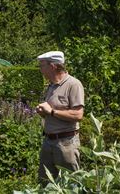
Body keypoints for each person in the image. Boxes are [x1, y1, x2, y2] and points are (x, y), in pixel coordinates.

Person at [36, 51, 84, 184]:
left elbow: (78, 115)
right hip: (48, 142)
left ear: (53, 66)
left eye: (42, 65)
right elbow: (52, 111)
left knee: (71, 184)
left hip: (66, 144)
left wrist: (51, 112)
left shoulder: (73, 84)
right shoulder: (51, 86)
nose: (40, 69)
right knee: (45, 183)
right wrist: (43, 112)